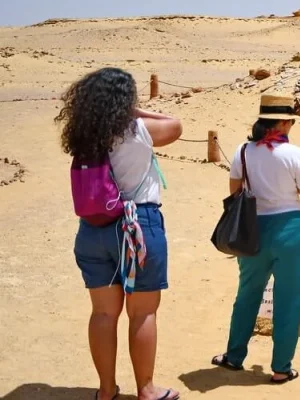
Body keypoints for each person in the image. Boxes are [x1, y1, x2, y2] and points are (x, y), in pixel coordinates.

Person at [57, 67, 183, 400]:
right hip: (137, 224)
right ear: (124, 101)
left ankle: (105, 389)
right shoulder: (137, 129)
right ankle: (146, 390)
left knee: (102, 313)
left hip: (93, 228)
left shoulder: (84, 136)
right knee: (142, 312)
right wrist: (137, 110)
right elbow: (175, 124)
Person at [211, 93, 300, 384]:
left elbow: (235, 192)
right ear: (283, 123)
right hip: (291, 230)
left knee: (247, 293)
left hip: (253, 230)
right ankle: (282, 367)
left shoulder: (243, 151)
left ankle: (234, 356)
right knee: (289, 299)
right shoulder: (295, 154)